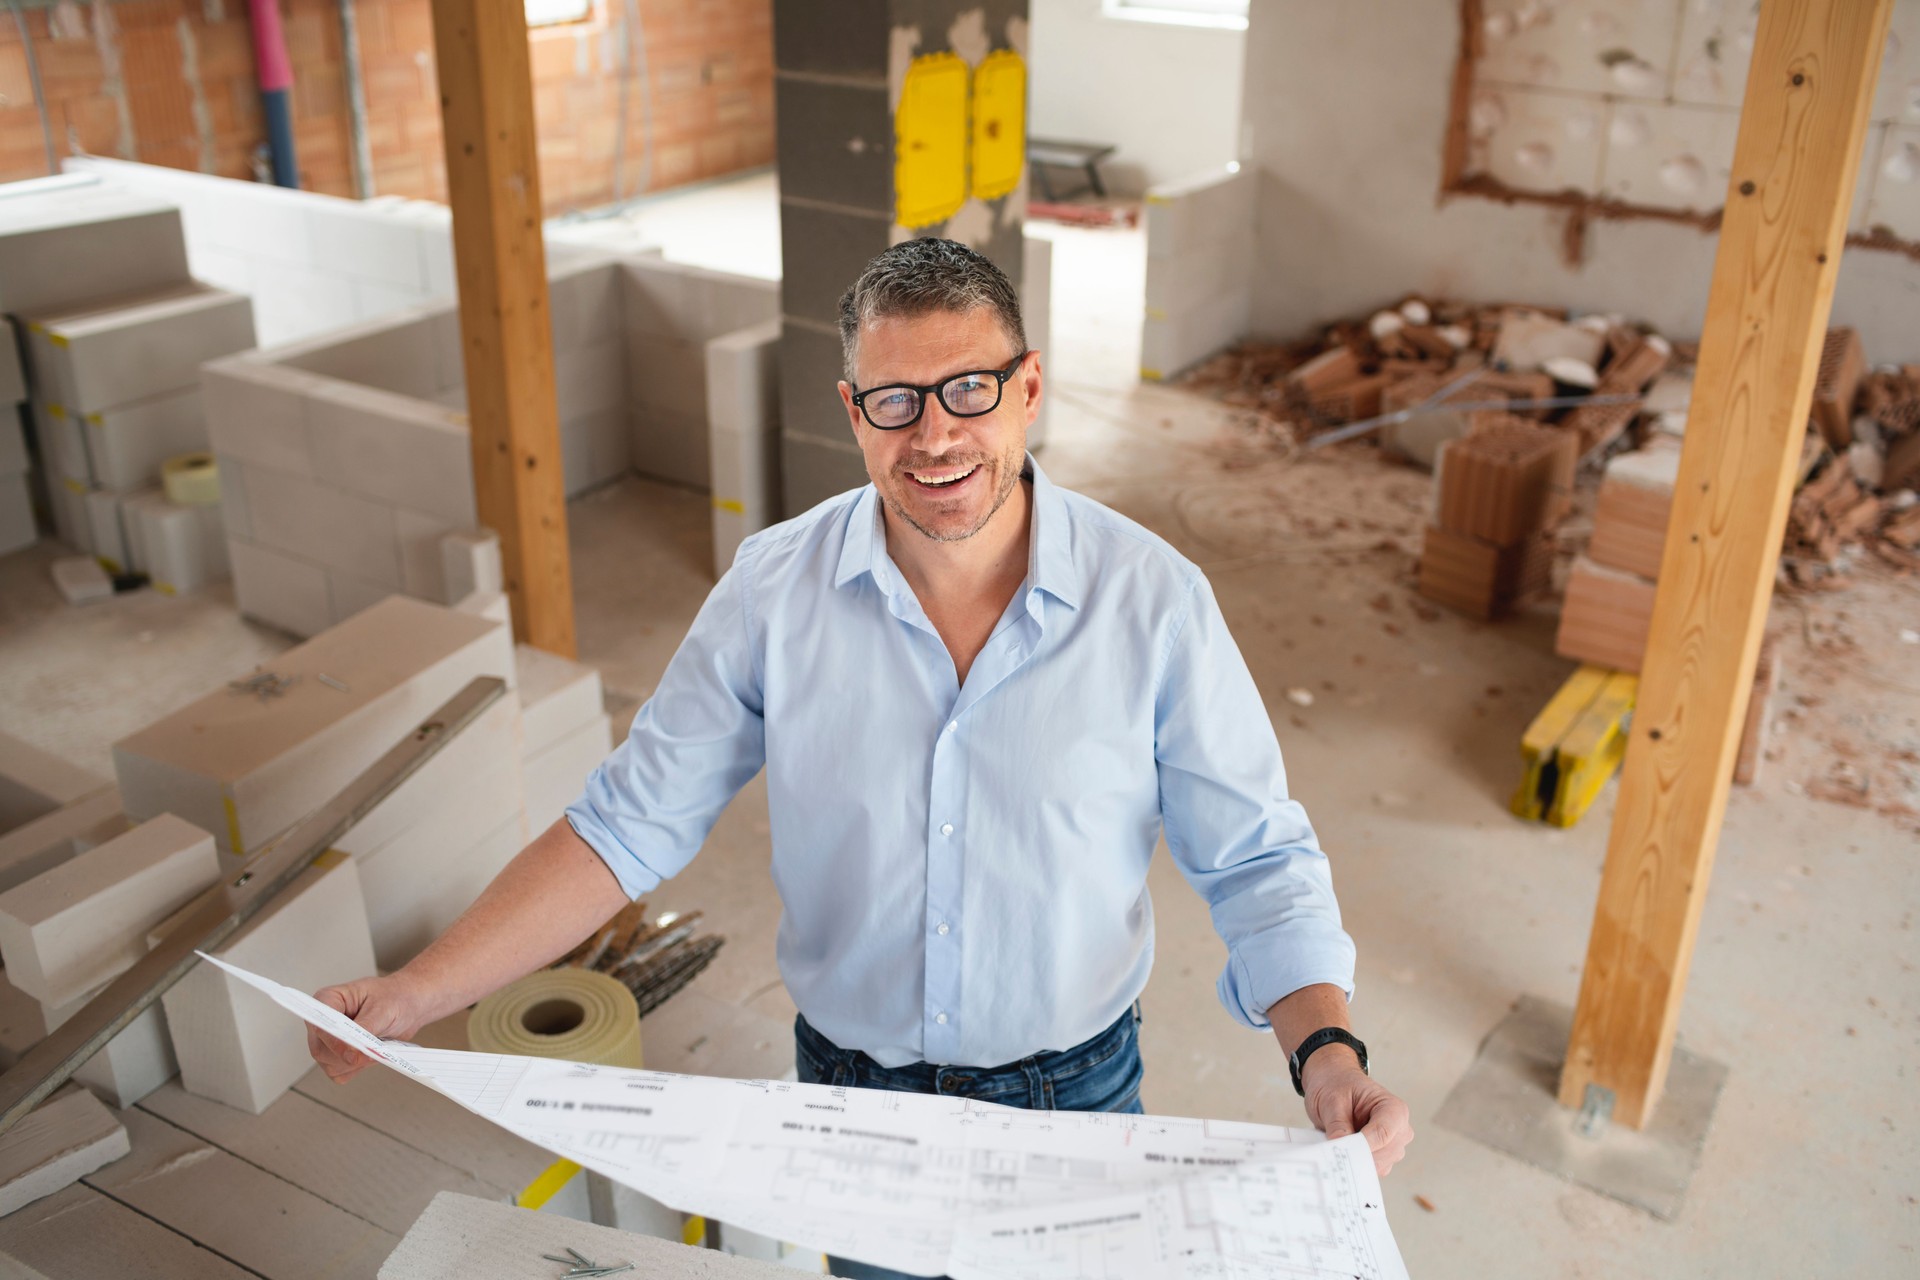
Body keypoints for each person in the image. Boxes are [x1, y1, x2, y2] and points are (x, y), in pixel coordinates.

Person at [308, 238, 1412, 1279]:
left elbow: (1259, 860)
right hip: (852, 1101)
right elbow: (623, 825)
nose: (933, 436)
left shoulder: (1153, 601)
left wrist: (1329, 1052)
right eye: (895, 401)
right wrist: (416, 992)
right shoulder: (771, 592)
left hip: (1072, 1096)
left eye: (968, 389)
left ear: (1029, 387)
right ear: (853, 411)